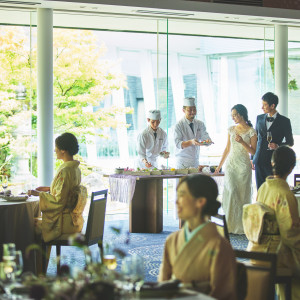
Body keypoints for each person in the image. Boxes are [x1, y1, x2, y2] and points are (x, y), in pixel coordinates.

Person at [158, 174, 237, 300]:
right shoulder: (172, 240)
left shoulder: (219, 246)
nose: (176, 201)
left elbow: (223, 294)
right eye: (177, 195)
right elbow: (162, 285)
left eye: (182, 195)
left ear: (200, 202)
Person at [244, 146, 300, 300]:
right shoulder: (285, 194)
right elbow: (290, 234)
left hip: (256, 249)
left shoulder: (263, 187)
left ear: (272, 163)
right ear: (291, 168)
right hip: (275, 254)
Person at [28, 133, 87, 272]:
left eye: (56, 147)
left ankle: (36, 270)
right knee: (36, 222)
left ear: (63, 150)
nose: (54, 150)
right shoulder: (75, 169)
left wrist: (39, 194)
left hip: (64, 223)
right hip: (74, 221)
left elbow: (59, 201)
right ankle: (39, 269)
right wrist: (49, 189)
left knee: (30, 224)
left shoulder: (66, 170)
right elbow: (66, 192)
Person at [215, 104, 257, 234]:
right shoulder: (231, 129)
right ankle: (228, 225)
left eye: (234, 115)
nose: (233, 118)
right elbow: (227, 149)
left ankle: (240, 226)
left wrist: (242, 142)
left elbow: (253, 151)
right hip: (232, 165)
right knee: (231, 191)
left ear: (241, 114)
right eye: (232, 115)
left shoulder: (252, 131)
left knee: (242, 195)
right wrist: (219, 166)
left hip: (244, 166)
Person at [253, 92, 294, 190]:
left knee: (274, 190)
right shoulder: (259, 118)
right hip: (259, 160)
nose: (262, 107)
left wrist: (278, 145)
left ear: (272, 105)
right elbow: (256, 140)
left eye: (264, 105)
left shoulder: (285, 121)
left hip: (274, 162)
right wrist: (252, 157)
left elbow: (290, 142)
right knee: (260, 190)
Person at [174, 97, 212, 169]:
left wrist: (208, 141)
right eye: (190, 110)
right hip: (183, 162)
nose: (192, 112)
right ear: (183, 110)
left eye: (194, 109)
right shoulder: (179, 125)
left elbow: (206, 138)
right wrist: (191, 142)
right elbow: (178, 144)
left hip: (195, 161)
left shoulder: (200, 124)